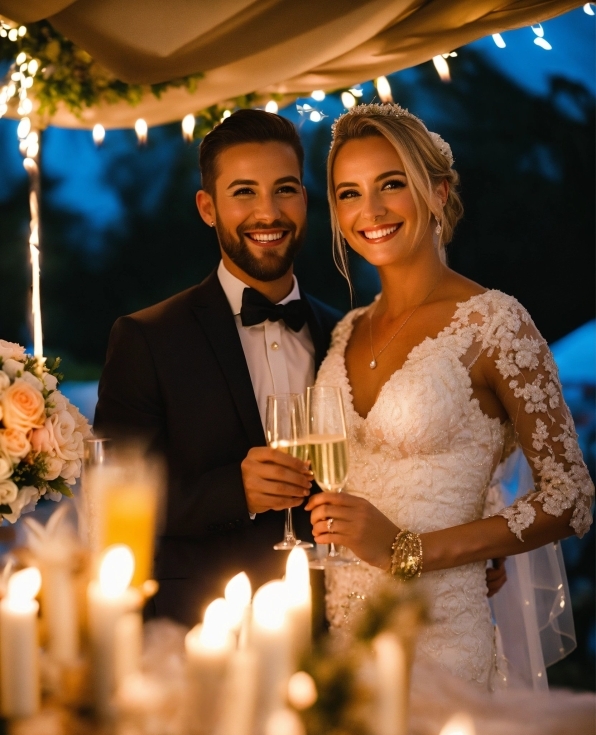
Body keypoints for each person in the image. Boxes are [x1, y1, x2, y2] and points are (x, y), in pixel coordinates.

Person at [306, 103, 594, 690]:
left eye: (392, 184)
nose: (372, 210)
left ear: (437, 191)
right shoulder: (344, 333)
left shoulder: (496, 323)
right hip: (347, 646)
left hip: (442, 646)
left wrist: (410, 550)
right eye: (349, 193)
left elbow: (571, 496)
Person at [94, 109, 341, 626]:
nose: (268, 212)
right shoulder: (147, 338)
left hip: (335, 619)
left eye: (285, 189)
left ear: (306, 198)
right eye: (244, 192)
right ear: (208, 207)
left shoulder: (344, 334)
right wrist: (235, 492)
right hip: (197, 625)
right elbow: (113, 503)